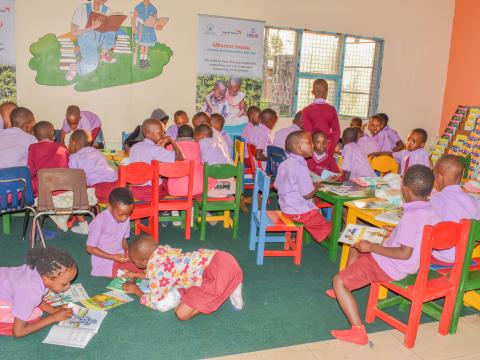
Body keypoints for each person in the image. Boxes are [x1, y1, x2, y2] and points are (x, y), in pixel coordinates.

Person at [328, 165, 439, 345]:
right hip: (412, 264)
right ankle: (348, 284)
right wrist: (394, 233)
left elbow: (403, 253)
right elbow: (416, 237)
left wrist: (371, 247)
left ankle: (358, 331)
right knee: (357, 244)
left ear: (405, 189)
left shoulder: (411, 215)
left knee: (337, 280)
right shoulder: (429, 210)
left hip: (393, 265)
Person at [122, 234, 244, 320]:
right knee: (187, 290)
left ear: (143, 261)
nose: (132, 263)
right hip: (224, 259)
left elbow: (154, 300)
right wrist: (137, 275)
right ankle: (232, 283)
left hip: (216, 276)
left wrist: (136, 291)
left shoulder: (160, 272)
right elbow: (161, 271)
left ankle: (227, 288)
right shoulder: (163, 251)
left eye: (133, 261)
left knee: (181, 314)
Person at [0, 247, 77, 337]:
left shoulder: (38, 272)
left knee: (30, 307)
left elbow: (35, 298)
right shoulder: (30, 292)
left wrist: (53, 310)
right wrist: (52, 318)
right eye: (64, 284)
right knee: (32, 318)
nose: (69, 286)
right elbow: (18, 332)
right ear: (46, 279)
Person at [274, 130, 332, 243]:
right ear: (298, 147)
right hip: (299, 212)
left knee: (315, 206)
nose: (313, 145)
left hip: (285, 207)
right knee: (328, 227)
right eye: (309, 142)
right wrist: (317, 187)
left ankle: (311, 232)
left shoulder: (284, 163)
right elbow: (307, 195)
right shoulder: (301, 167)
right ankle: (334, 242)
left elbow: (276, 185)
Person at [430, 155, 480, 265]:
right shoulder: (473, 200)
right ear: (461, 178)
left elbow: (427, 230)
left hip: (440, 258)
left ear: (439, 177)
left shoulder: (437, 199)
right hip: (465, 258)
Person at [86, 188, 143, 277]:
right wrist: (113, 257)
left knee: (143, 263)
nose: (125, 218)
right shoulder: (100, 221)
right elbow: (90, 248)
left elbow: (124, 240)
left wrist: (128, 253)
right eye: (121, 215)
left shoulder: (125, 217)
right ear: (109, 207)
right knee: (133, 273)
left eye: (128, 214)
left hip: (120, 255)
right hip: (105, 261)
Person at [129, 118, 184, 200]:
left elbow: (151, 156)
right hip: (150, 191)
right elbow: (180, 157)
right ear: (148, 134)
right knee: (167, 182)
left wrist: (159, 146)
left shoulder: (135, 147)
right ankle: (168, 209)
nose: (163, 135)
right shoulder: (155, 149)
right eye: (160, 133)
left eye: (164, 133)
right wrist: (171, 139)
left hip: (134, 190)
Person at [66, 0, 117, 80]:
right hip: (86, 38)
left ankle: (104, 53)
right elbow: (73, 32)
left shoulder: (108, 10)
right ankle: (74, 67)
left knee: (112, 28)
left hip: (100, 37)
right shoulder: (82, 9)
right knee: (92, 64)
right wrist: (92, 27)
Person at [69, 129, 118, 203]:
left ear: (73, 143)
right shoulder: (97, 152)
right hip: (116, 184)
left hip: (99, 189)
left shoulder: (73, 158)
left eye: (69, 144)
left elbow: (75, 180)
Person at [167, 125, 212, 197]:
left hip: (176, 190)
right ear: (193, 136)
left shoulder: (170, 147)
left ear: (177, 136)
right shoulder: (199, 146)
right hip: (197, 189)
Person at [27, 121, 69, 195]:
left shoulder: (33, 147)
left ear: (34, 136)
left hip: (43, 184)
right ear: (54, 136)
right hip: (61, 183)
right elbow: (67, 166)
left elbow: (31, 170)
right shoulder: (62, 147)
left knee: (29, 183)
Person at [195, 124, 235, 197]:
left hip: (212, 189)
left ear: (200, 135)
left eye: (195, 137)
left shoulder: (200, 143)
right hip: (230, 186)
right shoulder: (218, 143)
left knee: (198, 173)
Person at [302, 79, 341, 155]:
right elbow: (336, 131)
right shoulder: (331, 109)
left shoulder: (306, 110)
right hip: (327, 145)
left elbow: (308, 133)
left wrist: (313, 146)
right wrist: (331, 146)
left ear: (312, 92)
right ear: (327, 93)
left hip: (313, 147)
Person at [133, 0, 163, 68]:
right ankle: (141, 60)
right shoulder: (138, 7)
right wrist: (134, 28)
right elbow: (134, 19)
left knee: (147, 46)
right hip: (141, 29)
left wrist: (158, 26)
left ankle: (145, 59)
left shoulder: (153, 8)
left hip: (149, 30)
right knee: (142, 45)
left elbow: (156, 20)